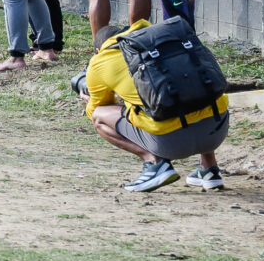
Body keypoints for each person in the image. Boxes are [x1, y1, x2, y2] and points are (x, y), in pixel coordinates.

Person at [83, 19, 229, 193]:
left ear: (98, 50)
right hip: (217, 130)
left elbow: (95, 109)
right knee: (191, 87)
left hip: (171, 144)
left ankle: (155, 163)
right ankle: (209, 168)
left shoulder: (100, 61)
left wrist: (92, 99)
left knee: (99, 116)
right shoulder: (164, 40)